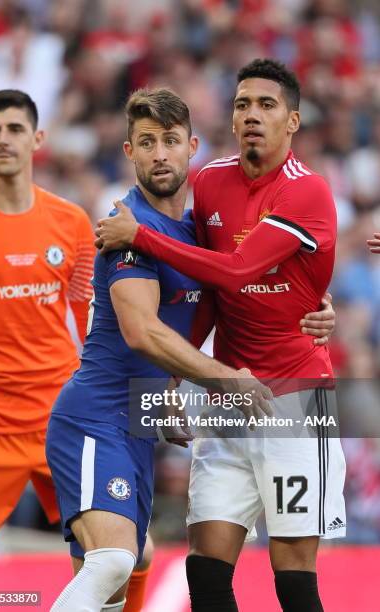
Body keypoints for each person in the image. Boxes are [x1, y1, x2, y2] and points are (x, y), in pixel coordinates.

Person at [94, 59, 344, 612]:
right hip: (228, 399)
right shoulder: (208, 183)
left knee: (293, 579)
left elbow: (234, 270)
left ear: (294, 121)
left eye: (267, 105)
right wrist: (175, 380)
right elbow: (208, 294)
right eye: (242, 104)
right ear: (231, 118)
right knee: (205, 571)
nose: (252, 114)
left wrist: (139, 235)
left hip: (296, 402)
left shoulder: (309, 192)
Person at [46, 87, 278, 612]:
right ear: (128, 151)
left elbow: (256, 276)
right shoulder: (127, 230)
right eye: (146, 142)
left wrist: (319, 308)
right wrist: (225, 379)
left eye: (170, 140)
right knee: (113, 562)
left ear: (191, 146)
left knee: (119, 571)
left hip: (134, 424)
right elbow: (141, 332)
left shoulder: (194, 233)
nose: (159, 154)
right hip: (93, 418)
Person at [0, 88, 154, 612]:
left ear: (38, 138)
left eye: (15, 129)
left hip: (62, 417)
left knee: (127, 555)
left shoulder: (71, 222)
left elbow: (87, 322)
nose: (5, 139)